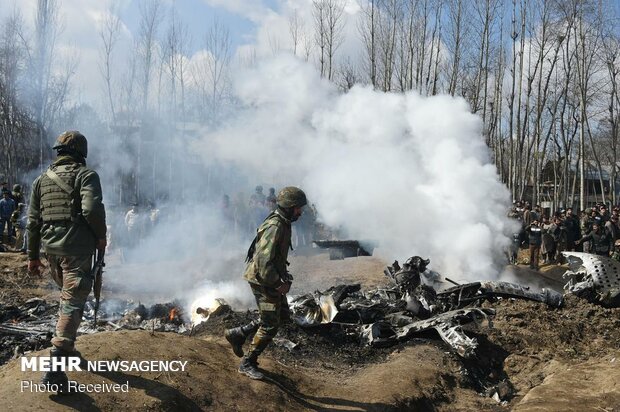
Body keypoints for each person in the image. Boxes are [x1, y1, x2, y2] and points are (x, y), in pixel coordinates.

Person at [26, 131, 107, 393]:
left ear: (59, 151)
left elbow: (33, 223)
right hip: (77, 250)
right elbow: (92, 210)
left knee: (67, 301)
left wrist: (33, 257)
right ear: (81, 152)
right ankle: (55, 371)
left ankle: (68, 348)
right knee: (72, 304)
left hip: (52, 252)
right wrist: (102, 237)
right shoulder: (86, 175)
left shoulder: (41, 181)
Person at [224, 186, 307, 380]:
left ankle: (238, 333)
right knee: (271, 325)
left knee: (282, 316)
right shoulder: (276, 226)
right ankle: (247, 363)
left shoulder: (284, 222)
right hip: (263, 279)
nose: (300, 212)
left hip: (269, 276)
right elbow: (263, 263)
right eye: (298, 208)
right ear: (289, 207)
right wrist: (278, 284)